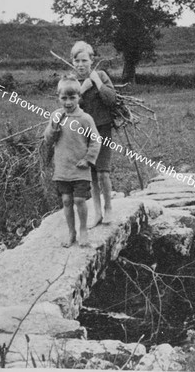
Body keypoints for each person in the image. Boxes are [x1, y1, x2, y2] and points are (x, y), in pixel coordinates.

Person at [44, 76, 100, 247]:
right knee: (67, 200)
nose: (68, 102)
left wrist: (88, 159)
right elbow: (48, 139)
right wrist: (54, 127)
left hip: (80, 168)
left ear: (79, 97)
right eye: (64, 98)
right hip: (63, 168)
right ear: (58, 97)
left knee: (79, 200)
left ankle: (83, 229)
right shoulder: (56, 116)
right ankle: (71, 232)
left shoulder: (85, 118)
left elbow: (96, 140)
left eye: (72, 98)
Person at [70, 41, 116, 225]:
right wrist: (82, 89)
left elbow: (111, 99)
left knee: (103, 172)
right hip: (83, 134)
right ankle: (96, 211)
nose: (80, 64)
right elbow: (69, 107)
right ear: (72, 62)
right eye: (76, 60)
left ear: (91, 60)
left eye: (84, 60)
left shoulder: (101, 75)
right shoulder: (71, 81)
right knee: (91, 173)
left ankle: (108, 208)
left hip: (103, 129)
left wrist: (96, 81)